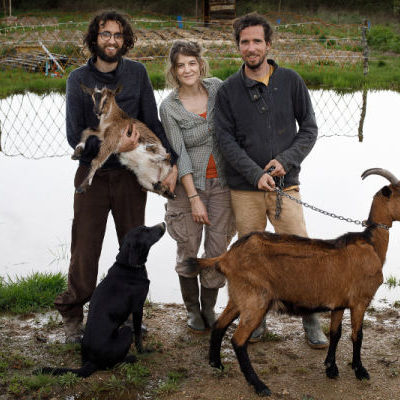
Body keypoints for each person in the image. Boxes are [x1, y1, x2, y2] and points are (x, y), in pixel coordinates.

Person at [54, 10, 178, 343]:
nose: (112, 40)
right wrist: (114, 144)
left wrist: (171, 161)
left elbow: (152, 120)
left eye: (118, 35)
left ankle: (125, 316)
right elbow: (72, 136)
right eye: (106, 34)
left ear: (126, 40)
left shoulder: (136, 73)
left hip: (129, 177)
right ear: (94, 38)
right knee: (84, 248)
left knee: (133, 246)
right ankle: (72, 318)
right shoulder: (76, 79)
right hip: (92, 176)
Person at [214, 13, 328, 349]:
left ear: (268, 44)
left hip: (286, 186)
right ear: (238, 46)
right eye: (245, 42)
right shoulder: (228, 91)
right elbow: (225, 140)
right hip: (245, 189)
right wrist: (255, 173)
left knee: (301, 253)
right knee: (251, 256)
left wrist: (285, 161)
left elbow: (309, 129)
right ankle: (255, 318)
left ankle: (311, 320)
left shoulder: (291, 81)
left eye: (256, 41)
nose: (251, 47)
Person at [160, 40, 235, 333]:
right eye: (181, 65)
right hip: (188, 188)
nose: (187, 69)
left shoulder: (217, 88)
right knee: (189, 246)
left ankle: (208, 309)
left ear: (201, 64)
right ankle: (192, 309)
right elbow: (180, 153)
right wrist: (193, 198)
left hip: (223, 185)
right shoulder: (170, 107)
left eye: (192, 63)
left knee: (217, 250)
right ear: (174, 71)